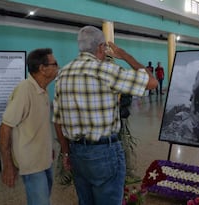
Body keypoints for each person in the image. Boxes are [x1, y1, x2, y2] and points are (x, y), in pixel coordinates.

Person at [53, 25, 157, 205]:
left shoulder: (63, 73)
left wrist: (66, 153)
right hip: (104, 153)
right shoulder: (105, 70)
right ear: (102, 47)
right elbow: (152, 82)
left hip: (77, 152)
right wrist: (125, 55)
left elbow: (58, 120)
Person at [0, 48, 59, 205]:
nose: (58, 67)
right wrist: (7, 165)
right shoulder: (25, 90)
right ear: (42, 69)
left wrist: (49, 147)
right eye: (55, 64)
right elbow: (5, 127)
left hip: (44, 159)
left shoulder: (42, 90)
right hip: (31, 164)